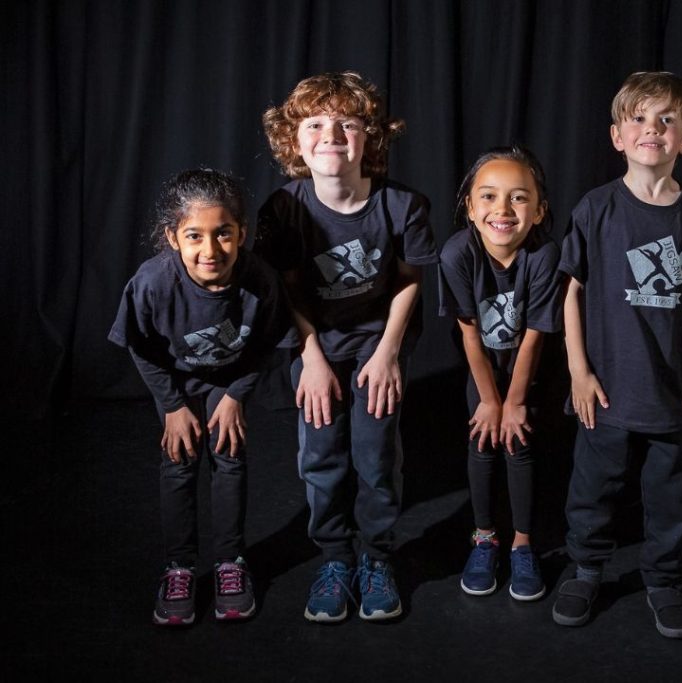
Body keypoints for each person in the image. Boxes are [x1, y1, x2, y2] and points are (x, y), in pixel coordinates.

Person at [552, 71, 682, 638]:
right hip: (608, 386)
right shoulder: (596, 208)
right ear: (618, 136)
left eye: (667, 119)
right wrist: (578, 371)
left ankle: (663, 578)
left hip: (675, 388)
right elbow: (571, 291)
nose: (652, 129)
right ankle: (586, 569)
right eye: (638, 118)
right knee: (594, 487)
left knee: (671, 493)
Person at [255, 71, 437, 623]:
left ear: (370, 138)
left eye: (347, 124)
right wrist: (310, 358)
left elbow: (410, 278)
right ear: (293, 140)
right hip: (315, 342)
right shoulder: (282, 209)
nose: (330, 135)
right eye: (314, 124)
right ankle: (335, 558)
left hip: (377, 343)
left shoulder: (402, 205)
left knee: (376, 456)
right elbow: (287, 288)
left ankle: (377, 558)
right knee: (322, 455)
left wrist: (388, 352)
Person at [109, 168, 293, 626]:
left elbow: (268, 343)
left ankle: (230, 561)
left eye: (223, 234)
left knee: (229, 457)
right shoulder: (153, 282)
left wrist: (236, 395)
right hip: (177, 382)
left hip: (231, 381)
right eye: (195, 236)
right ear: (173, 237)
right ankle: (180, 566)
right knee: (180, 462)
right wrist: (172, 406)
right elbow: (141, 347)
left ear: (242, 234)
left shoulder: (261, 280)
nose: (210, 250)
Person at [438, 146, 563, 601]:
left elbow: (535, 335)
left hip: (530, 370)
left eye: (518, 197)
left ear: (539, 210)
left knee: (519, 443)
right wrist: (491, 401)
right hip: (485, 370)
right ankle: (485, 538)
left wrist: (515, 402)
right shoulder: (457, 254)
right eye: (488, 196)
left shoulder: (545, 255)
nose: (503, 209)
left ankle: (523, 544)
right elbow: (470, 334)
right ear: (470, 208)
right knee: (483, 441)